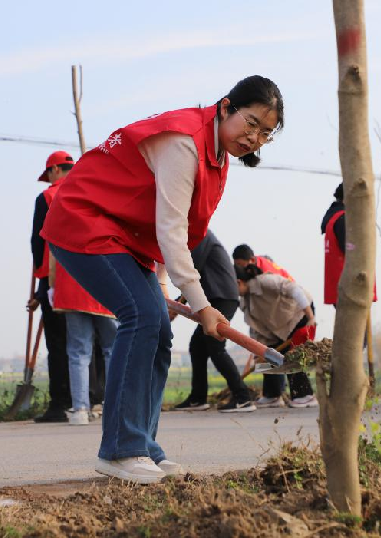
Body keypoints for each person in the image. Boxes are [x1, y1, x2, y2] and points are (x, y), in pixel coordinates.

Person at [41, 75, 283, 484]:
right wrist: (203, 305)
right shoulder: (184, 142)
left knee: (159, 331)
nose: (255, 137)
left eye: (266, 133)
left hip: (126, 238)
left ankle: (144, 447)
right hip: (85, 220)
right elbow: (172, 231)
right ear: (226, 107)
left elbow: (170, 228)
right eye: (252, 122)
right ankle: (121, 449)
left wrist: (164, 284)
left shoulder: (216, 156)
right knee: (141, 317)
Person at [173, 230, 255, 413]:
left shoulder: (200, 234)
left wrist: (177, 306)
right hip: (216, 298)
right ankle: (198, 398)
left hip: (223, 298)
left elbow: (190, 273)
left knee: (215, 346)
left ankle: (243, 398)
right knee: (197, 346)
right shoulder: (198, 236)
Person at [29, 151, 75, 423]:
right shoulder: (89, 191)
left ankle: (59, 404)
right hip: (93, 275)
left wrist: (40, 284)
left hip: (57, 277)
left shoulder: (47, 197)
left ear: (56, 170)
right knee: (87, 341)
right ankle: (90, 399)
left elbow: (38, 242)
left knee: (58, 343)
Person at [234, 262, 317, 409]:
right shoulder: (245, 301)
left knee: (292, 355)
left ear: (238, 282)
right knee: (266, 355)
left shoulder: (264, 281)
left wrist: (310, 317)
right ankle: (272, 395)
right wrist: (257, 352)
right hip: (276, 328)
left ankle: (305, 396)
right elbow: (255, 328)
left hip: (298, 315)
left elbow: (294, 289)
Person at [49, 253, 117, 426]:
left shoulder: (59, 224)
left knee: (79, 351)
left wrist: (52, 285)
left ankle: (80, 409)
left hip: (71, 283)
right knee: (113, 348)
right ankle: (114, 406)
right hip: (105, 282)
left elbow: (52, 252)